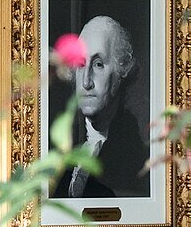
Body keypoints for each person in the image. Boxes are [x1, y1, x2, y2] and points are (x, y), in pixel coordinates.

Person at [52, 14, 150, 200]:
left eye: (98, 64)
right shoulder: (64, 150)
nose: (86, 81)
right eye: (81, 64)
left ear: (121, 70)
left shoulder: (134, 159)